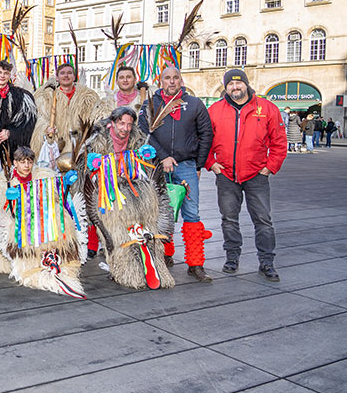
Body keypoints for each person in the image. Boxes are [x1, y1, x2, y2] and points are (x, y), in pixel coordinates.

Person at [206, 70, 288, 282]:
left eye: (239, 83)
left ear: (246, 84)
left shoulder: (267, 108)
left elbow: (279, 142)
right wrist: (211, 164)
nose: (235, 88)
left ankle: (267, 262)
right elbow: (204, 140)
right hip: (226, 175)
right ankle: (232, 258)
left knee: (263, 220)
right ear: (226, 87)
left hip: (256, 175)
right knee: (229, 219)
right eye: (231, 85)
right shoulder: (215, 110)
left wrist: (269, 167)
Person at [82, 107, 175, 289]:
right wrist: (94, 165)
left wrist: (146, 159)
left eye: (129, 124)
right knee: (117, 235)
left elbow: (148, 169)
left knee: (143, 231)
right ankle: (125, 271)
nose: (125, 128)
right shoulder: (96, 142)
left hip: (136, 194)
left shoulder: (139, 140)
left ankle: (153, 269)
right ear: (112, 123)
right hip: (108, 194)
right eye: (121, 123)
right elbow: (86, 170)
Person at [138, 65, 214, 282]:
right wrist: (162, 156)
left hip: (186, 166)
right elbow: (143, 133)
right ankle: (165, 254)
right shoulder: (150, 104)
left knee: (191, 213)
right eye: (167, 78)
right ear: (160, 81)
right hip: (156, 165)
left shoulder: (195, 105)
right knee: (162, 211)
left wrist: (198, 165)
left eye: (175, 78)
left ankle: (196, 263)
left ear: (181, 80)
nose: (171, 82)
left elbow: (206, 133)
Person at [0, 146, 86, 297]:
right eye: (22, 162)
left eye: (29, 161)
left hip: (43, 217)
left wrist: (64, 183)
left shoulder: (44, 176)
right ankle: (31, 259)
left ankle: (56, 254)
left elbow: (56, 196)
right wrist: (8, 197)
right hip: (21, 221)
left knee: (63, 218)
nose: (26, 166)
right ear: (15, 163)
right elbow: (0, 209)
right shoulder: (2, 182)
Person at [31, 62, 103, 156]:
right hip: (55, 144)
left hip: (79, 145)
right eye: (62, 73)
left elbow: (94, 118)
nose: (66, 75)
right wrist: (46, 129)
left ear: (74, 77)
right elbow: (40, 119)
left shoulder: (87, 97)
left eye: (69, 73)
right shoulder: (46, 97)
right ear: (57, 78)